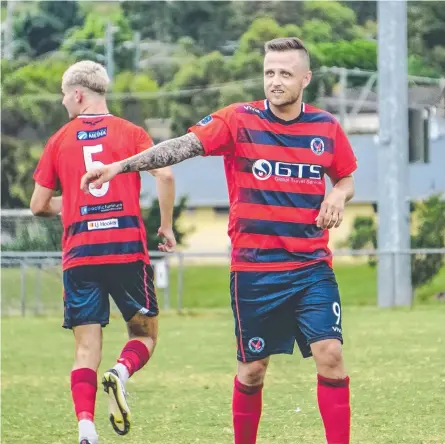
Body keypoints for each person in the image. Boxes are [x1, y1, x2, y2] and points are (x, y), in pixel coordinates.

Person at [80, 37, 356, 444]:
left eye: (284, 73)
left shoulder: (326, 128)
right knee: (253, 369)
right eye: (268, 73)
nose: (275, 81)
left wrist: (337, 192)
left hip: (311, 266)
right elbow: (181, 148)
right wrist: (120, 166)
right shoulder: (237, 120)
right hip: (255, 272)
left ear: (306, 78)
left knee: (330, 355)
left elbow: (346, 177)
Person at [30, 60, 176, 444]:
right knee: (145, 335)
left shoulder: (59, 139)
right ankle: (122, 372)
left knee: (85, 349)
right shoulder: (132, 133)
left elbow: (38, 204)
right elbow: (166, 173)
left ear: (78, 94)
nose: (64, 103)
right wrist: (165, 226)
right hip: (126, 248)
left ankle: (86, 430)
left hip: (81, 254)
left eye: (65, 96)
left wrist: (74, 201)